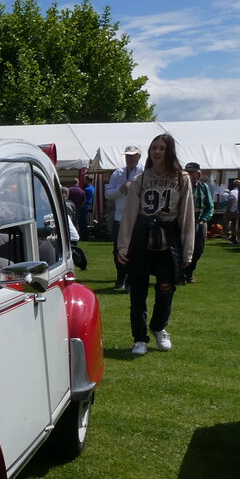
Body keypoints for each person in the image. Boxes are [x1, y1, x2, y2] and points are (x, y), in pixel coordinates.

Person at [115, 133, 195, 355]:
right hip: (142, 237)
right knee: (138, 291)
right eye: (154, 148)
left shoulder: (182, 178)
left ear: (169, 151)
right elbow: (130, 215)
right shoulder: (141, 180)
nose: (157, 152)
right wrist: (123, 246)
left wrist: (188, 250)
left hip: (168, 238)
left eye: (161, 148)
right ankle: (139, 338)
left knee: (166, 288)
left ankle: (159, 327)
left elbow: (187, 216)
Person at [105, 145, 143, 290]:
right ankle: (121, 277)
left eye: (133, 156)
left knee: (135, 250)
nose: (130, 158)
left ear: (139, 156)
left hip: (137, 218)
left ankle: (130, 280)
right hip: (119, 218)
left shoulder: (144, 172)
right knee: (117, 250)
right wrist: (121, 189)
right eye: (127, 156)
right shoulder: (118, 173)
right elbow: (108, 194)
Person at [183, 162, 214, 283]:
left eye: (191, 172)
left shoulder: (203, 187)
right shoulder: (181, 186)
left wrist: (203, 220)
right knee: (182, 248)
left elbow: (209, 206)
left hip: (198, 220)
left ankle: (189, 271)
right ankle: (180, 272)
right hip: (184, 221)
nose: (189, 175)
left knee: (198, 249)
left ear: (198, 173)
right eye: (187, 172)